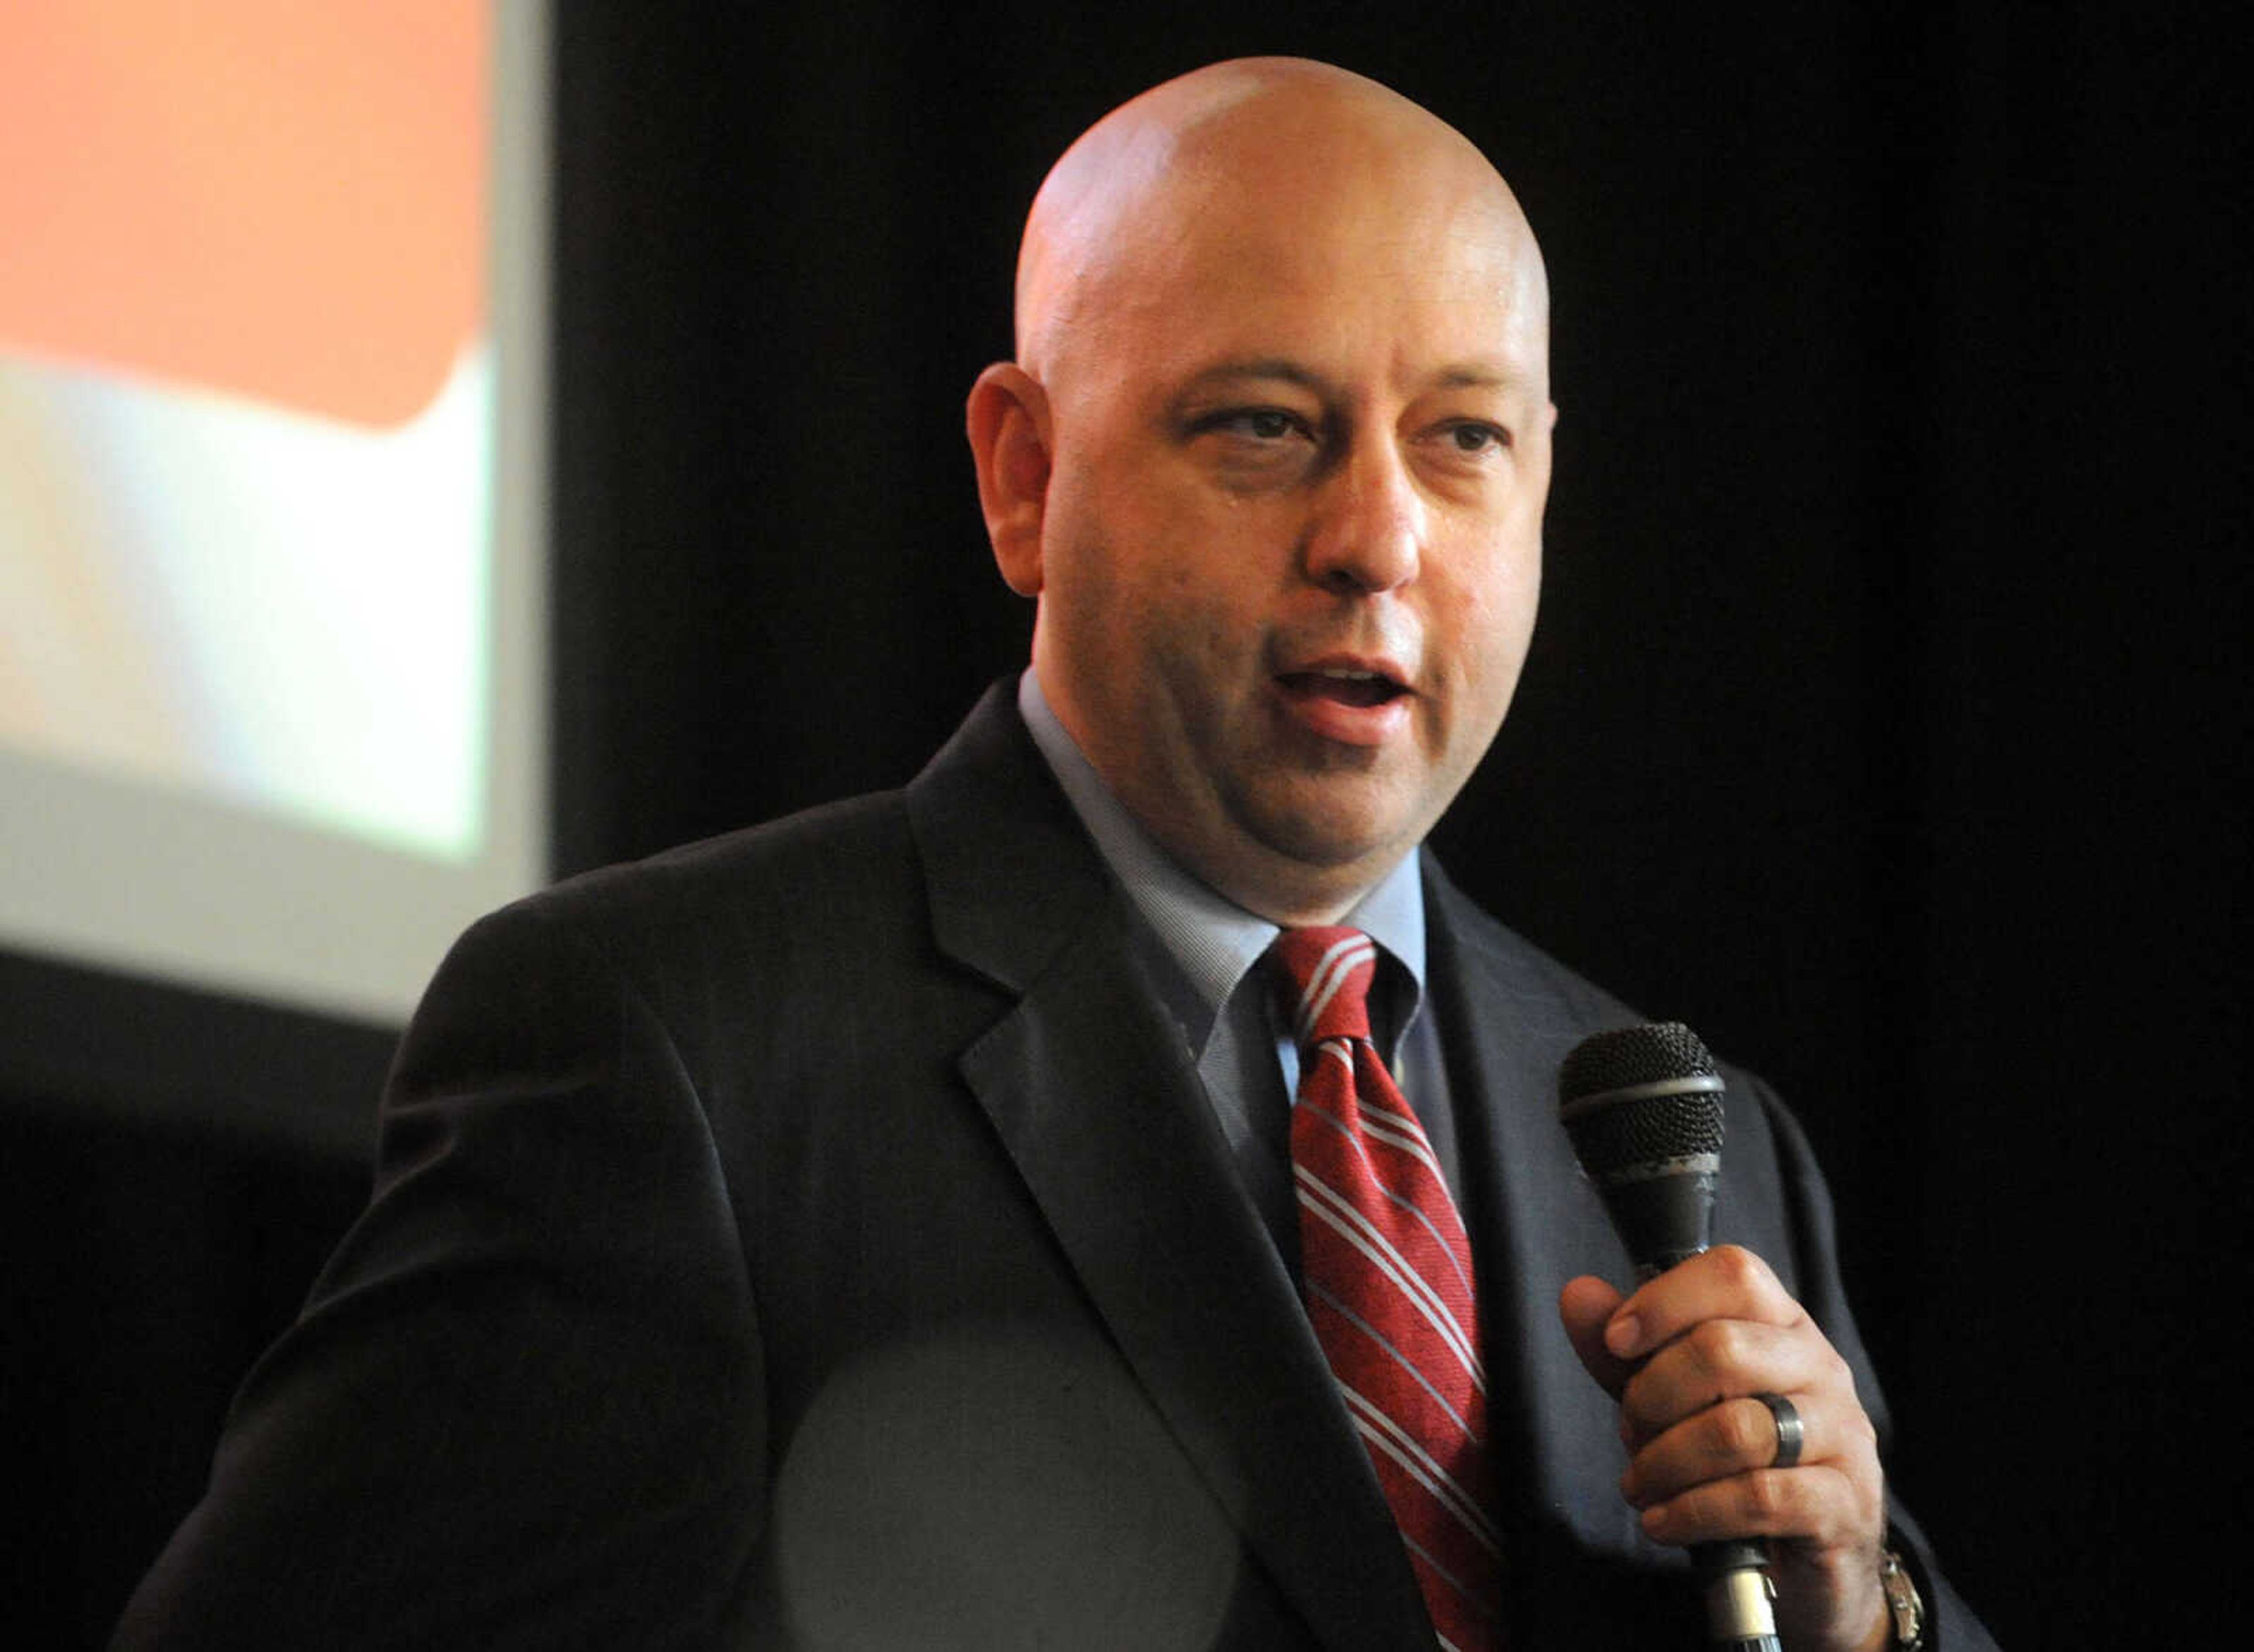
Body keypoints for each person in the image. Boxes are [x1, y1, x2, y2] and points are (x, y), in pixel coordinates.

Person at [114, 58, 1995, 1651]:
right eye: (1266, 427)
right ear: (1025, 475)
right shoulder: (669, 1053)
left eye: (1464, 441)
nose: (1377, 536)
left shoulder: (1703, 1150)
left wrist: (1862, 1612)